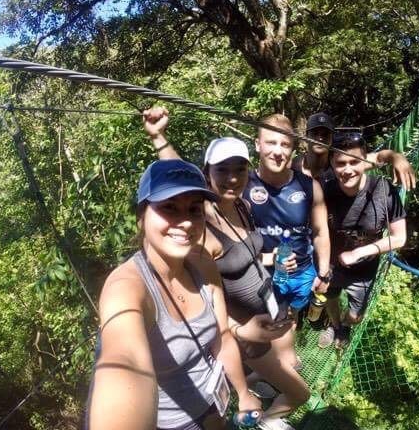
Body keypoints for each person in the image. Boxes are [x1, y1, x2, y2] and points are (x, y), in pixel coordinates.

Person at [143, 109, 309, 430]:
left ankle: (260, 381)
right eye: (222, 171)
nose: (232, 178)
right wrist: (159, 137)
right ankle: (267, 423)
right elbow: (201, 302)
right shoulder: (204, 222)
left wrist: (273, 262)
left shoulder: (244, 207)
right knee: (300, 393)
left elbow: (246, 258)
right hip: (245, 332)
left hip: (269, 310)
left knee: (293, 362)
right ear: (207, 174)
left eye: (239, 169)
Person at [87, 159, 261, 430]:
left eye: (194, 209)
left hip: (215, 405)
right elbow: (125, 364)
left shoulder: (203, 264)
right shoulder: (126, 288)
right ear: (141, 216)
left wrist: (244, 393)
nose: (186, 223)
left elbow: (222, 337)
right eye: (169, 208)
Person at [318, 132, 407, 349]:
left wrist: (360, 252)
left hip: (364, 268)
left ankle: (347, 325)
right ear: (332, 163)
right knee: (331, 296)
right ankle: (335, 325)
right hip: (331, 263)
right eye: (340, 163)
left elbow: (399, 238)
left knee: (357, 314)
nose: (347, 170)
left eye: (355, 162)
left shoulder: (384, 191)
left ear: (365, 160)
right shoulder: (324, 187)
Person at [245, 113, 332, 315]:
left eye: (285, 144)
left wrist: (324, 273)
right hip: (260, 273)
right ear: (257, 144)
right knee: (267, 329)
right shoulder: (242, 186)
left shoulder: (309, 186)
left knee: (292, 316)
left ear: (293, 149)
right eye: (271, 143)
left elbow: (320, 232)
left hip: (302, 272)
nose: (278, 151)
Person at [291, 112, 417, 190]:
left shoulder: (340, 162)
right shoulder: (293, 165)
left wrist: (397, 158)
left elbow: (378, 157)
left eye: (325, 134)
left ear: (332, 137)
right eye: (315, 133)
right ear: (306, 136)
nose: (319, 138)